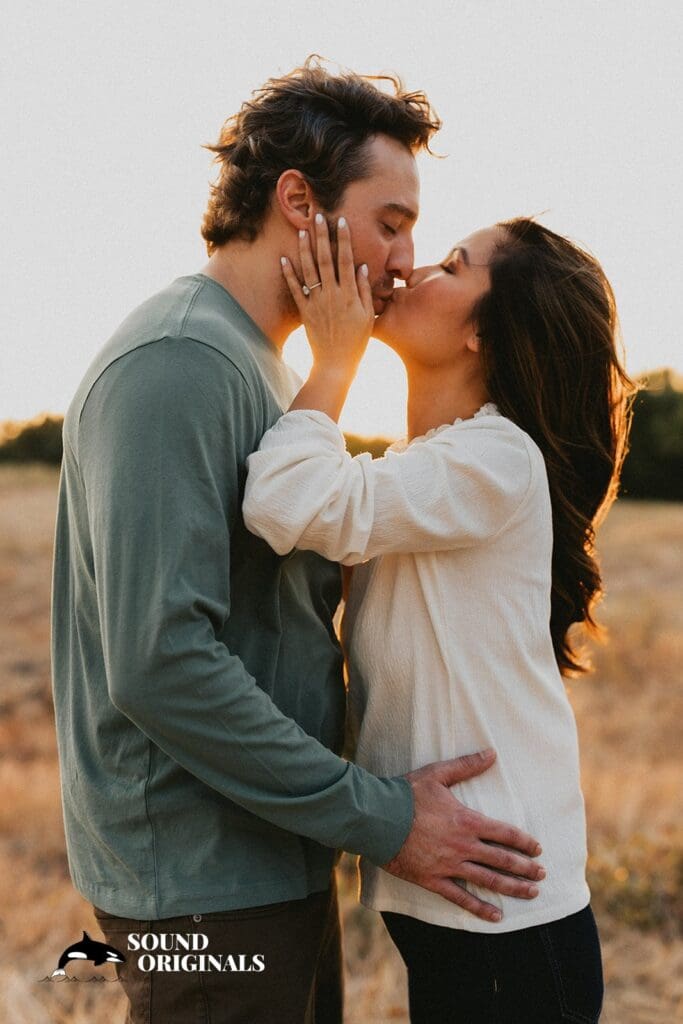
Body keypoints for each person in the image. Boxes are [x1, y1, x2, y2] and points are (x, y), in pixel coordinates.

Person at [50, 60, 546, 1024]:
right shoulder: (179, 363)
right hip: (202, 882)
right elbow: (159, 662)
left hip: (269, 856)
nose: (404, 260)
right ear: (297, 202)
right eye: (390, 222)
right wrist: (381, 816)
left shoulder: (269, 369)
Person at [243, 213, 635, 1022]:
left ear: (481, 335)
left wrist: (336, 358)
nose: (414, 269)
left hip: (505, 911)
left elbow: (283, 499)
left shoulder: (496, 457)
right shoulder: (427, 469)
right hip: (457, 893)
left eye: (453, 265)